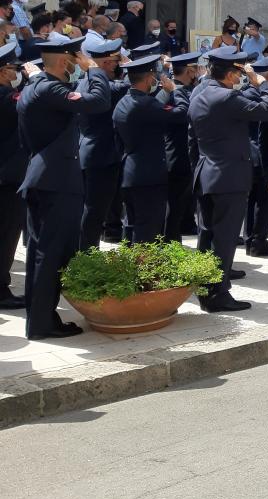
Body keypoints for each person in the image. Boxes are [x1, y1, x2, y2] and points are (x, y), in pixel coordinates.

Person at [18, 34, 110, 338]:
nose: (77, 62)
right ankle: (43, 323)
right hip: (56, 180)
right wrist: (93, 69)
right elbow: (97, 102)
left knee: (43, 252)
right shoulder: (48, 88)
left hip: (45, 176)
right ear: (63, 60)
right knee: (52, 253)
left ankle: (41, 319)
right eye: (74, 57)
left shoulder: (36, 86)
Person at [188, 46, 268, 311]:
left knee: (207, 237)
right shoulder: (226, 97)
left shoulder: (199, 94)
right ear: (230, 74)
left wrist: (199, 168)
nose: (241, 78)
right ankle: (218, 295)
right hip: (228, 177)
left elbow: (191, 140)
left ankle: (206, 290)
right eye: (239, 73)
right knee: (224, 239)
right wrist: (260, 81)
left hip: (206, 173)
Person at [112, 54, 184, 244]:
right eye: (154, 76)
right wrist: (175, 91)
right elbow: (182, 113)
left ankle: (129, 268)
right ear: (147, 78)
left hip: (130, 172)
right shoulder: (145, 103)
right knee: (147, 229)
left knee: (132, 226)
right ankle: (143, 272)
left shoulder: (123, 102)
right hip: (149, 176)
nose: (156, 80)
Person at [77, 37, 130, 248]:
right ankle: (86, 255)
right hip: (101, 155)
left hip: (92, 151)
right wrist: (130, 67)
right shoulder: (105, 86)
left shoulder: (86, 81)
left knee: (92, 208)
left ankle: (85, 252)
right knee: (95, 209)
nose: (119, 64)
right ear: (107, 62)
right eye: (117, 61)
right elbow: (129, 85)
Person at [162, 52, 203, 243]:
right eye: (194, 69)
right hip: (176, 156)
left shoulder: (188, 89)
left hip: (188, 156)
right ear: (189, 70)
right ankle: (170, 243)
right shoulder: (170, 92)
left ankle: (177, 235)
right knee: (174, 204)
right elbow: (185, 113)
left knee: (183, 204)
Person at [0, 44, 29, 308]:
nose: (17, 72)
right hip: (8, 177)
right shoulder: (7, 98)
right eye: (14, 68)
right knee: (8, 234)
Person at [243, 53, 268, 257]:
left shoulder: (252, 93)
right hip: (257, 154)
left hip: (255, 153)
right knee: (263, 202)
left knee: (256, 202)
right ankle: (256, 240)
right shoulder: (254, 94)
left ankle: (253, 239)